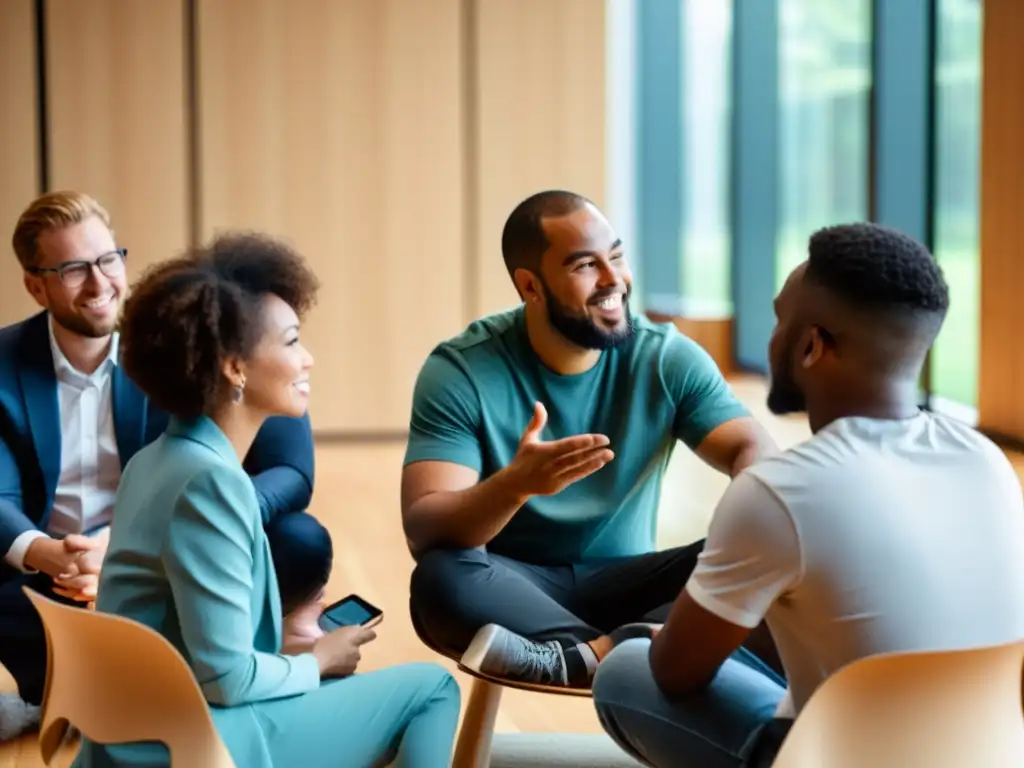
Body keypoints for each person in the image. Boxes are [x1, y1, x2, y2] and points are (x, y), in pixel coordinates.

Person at [590, 222, 1024, 767]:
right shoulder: (987, 462)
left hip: (842, 755)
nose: (771, 337)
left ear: (811, 345)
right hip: (989, 751)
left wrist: (670, 636)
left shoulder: (781, 489)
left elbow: (675, 673)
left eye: (778, 319)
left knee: (628, 668)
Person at [74, 233, 460, 768]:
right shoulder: (211, 483)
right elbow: (227, 679)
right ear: (234, 367)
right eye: (291, 341)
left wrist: (293, 652)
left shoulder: (154, 461)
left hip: (132, 731)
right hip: (189, 742)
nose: (308, 359)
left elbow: (189, 643)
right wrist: (318, 660)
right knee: (433, 688)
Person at [403, 189, 780, 690]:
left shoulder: (664, 356)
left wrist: (747, 520)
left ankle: (583, 659)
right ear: (531, 286)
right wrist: (516, 485)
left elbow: (750, 447)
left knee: (778, 566)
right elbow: (424, 527)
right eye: (585, 265)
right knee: (439, 579)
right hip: (510, 583)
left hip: (632, 582)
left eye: (617, 257)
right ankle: (634, 654)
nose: (614, 280)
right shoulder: (462, 369)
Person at [0, 191, 331, 740]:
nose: (101, 282)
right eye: (74, 269)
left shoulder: (172, 337)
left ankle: (225, 664)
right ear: (36, 285)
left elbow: (291, 471)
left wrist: (130, 540)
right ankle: (63, 689)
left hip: (164, 555)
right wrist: (51, 555)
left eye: (109, 259)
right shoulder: (4, 363)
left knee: (300, 540)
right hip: (51, 568)